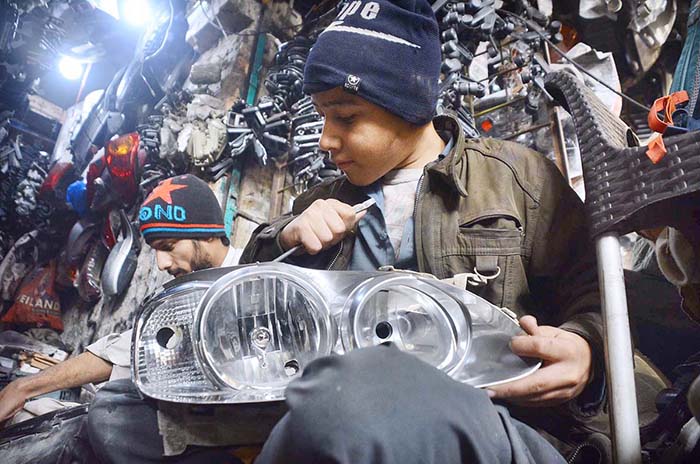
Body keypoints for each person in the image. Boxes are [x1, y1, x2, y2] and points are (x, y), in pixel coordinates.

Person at [239, 0, 607, 462]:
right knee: (121, 411)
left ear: (407, 103)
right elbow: (246, 310)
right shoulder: (319, 202)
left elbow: (598, 292)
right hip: (346, 426)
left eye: (346, 117)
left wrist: (586, 348)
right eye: (322, 117)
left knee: (347, 397)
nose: (325, 140)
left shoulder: (517, 178)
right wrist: (286, 238)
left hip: (502, 429)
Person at [0, 174, 237, 443]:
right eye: (155, 250)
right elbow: (122, 350)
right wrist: (23, 387)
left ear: (206, 233)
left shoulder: (259, 275)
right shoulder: (179, 299)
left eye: (168, 247)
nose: (160, 263)